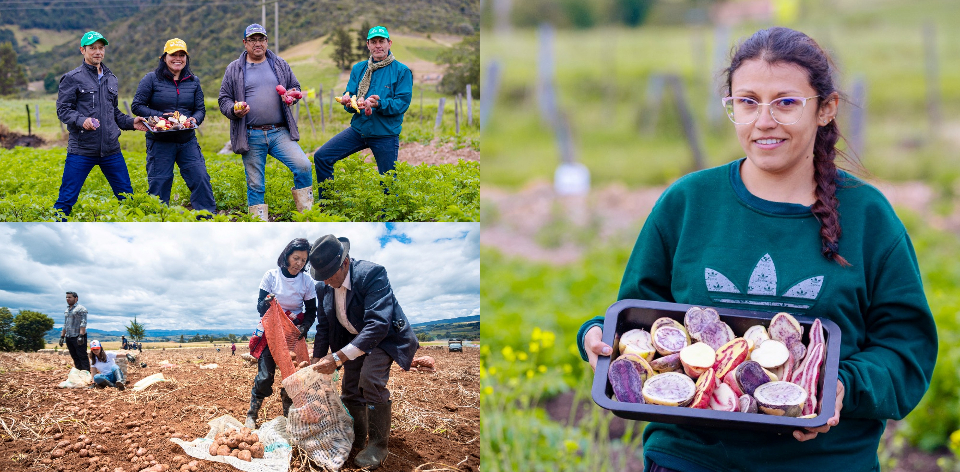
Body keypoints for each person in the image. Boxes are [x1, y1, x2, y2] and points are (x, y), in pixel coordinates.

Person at [577, 27, 938, 472]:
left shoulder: (869, 217)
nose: (763, 120)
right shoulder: (689, 202)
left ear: (825, 109)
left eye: (786, 102)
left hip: (825, 461)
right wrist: (598, 335)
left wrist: (840, 385)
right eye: (746, 102)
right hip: (690, 459)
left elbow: (906, 350)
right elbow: (637, 317)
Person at [308, 234, 419, 470]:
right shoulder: (324, 288)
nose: (326, 281)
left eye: (330, 275)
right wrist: (317, 358)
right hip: (353, 339)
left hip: (384, 338)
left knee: (369, 380)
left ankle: (378, 445)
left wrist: (338, 357)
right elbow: (325, 326)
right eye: (322, 277)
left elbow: (378, 324)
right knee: (350, 386)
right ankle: (358, 436)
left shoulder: (372, 274)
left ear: (345, 262)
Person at [218, 24, 313, 221]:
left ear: (267, 41)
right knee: (255, 183)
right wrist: (234, 110)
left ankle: (308, 216)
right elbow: (223, 99)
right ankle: (258, 222)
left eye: (261, 39)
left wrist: (292, 96)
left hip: (279, 132)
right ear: (245, 43)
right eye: (252, 40)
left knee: (303, 165)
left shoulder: (279, 63)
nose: (257, 43)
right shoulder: (234, 69)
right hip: (250, 133)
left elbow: (295, 86)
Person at [54, 31, 149, 217]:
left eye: (101, 48)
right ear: (83, 50)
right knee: (66, 199)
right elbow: (63, 110)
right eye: (92, 48)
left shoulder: (111, 78)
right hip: (82, 149)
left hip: (111, 150)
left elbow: (113, 112)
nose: (97, 52)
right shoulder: (72, 78)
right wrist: (82, 121)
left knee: (127, 198)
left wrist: (131, 122)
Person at [314, 26, 412, 199]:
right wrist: (348, 102)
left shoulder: (402, 71)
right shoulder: (359, 69)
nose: (378, 46)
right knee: (322, 157)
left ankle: (389, 217)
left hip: (385, 134)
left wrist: (379, 103)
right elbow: (350, 94)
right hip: (359, 129)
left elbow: (402, 103)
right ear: (368, 45)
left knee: (388, 182)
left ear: (389, 43)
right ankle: (328, 204)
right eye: (373, 42)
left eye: (381, 41)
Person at [132, 38, 216, 215]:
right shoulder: (151, 79)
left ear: (186, 58)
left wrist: (194, 120)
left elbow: (200, 109)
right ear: (164, 57)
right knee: (160, 182)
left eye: (181, 55)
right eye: (173, 55)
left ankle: (207, 217)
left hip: (187, 140)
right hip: (160, 141)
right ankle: (157, 218)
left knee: (200, 178)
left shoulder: (194, 81)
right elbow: (137, 105)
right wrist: (160, 117)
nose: (177, 58)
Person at [245, 238, 318, 429]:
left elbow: (311, 311)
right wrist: (269, 301)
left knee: (293, 377)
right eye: (296, 258)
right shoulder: (271, 276)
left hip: (294, 334)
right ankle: (252, 415)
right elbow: (260, 308)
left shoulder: (307, 281)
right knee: (264, 377)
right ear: (286, 256)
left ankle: (289, 417)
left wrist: (304, 328)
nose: (299, 264)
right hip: (272, 333)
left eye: (303, 260)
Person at [59, 291, 90, 372]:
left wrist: (81, 336)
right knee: (74, 356)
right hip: (69, 336)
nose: (67, 299)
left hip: (78, 336)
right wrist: (62, 336)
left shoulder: (81, 309)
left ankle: (86, 373)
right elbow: (65, 324)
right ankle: (79, 372)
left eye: (69, 297)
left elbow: (83, 323)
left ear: (76, 298)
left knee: (82, 355)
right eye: (66, 297)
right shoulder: (67, 310)